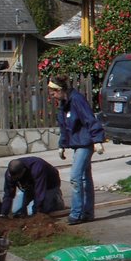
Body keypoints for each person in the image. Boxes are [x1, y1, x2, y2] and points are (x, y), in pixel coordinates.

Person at [48, 76, 104, 225]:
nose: (52, 96)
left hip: (85, 143)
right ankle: (88, 213)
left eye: (53, 93)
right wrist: (62, 145)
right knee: (84, 179)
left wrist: (98, 139)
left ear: (59, 90)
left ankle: (77, 213)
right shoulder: (64, 104)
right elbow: (64, 128)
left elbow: (89, 119)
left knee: (75, 177)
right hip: (77, 144)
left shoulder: (77, 100)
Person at [0, 157, 65, 217]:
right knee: (15, 210)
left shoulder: (37, 167)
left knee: (36, 211)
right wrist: (3, 213)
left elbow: (40, 192)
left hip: (49, 185)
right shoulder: (10, 174)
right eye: (13, 177)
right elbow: (8, 194)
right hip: (30, 186)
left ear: (23, 170)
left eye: (17, 177)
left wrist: (36, 212)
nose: (14, 179)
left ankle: (56, 200)